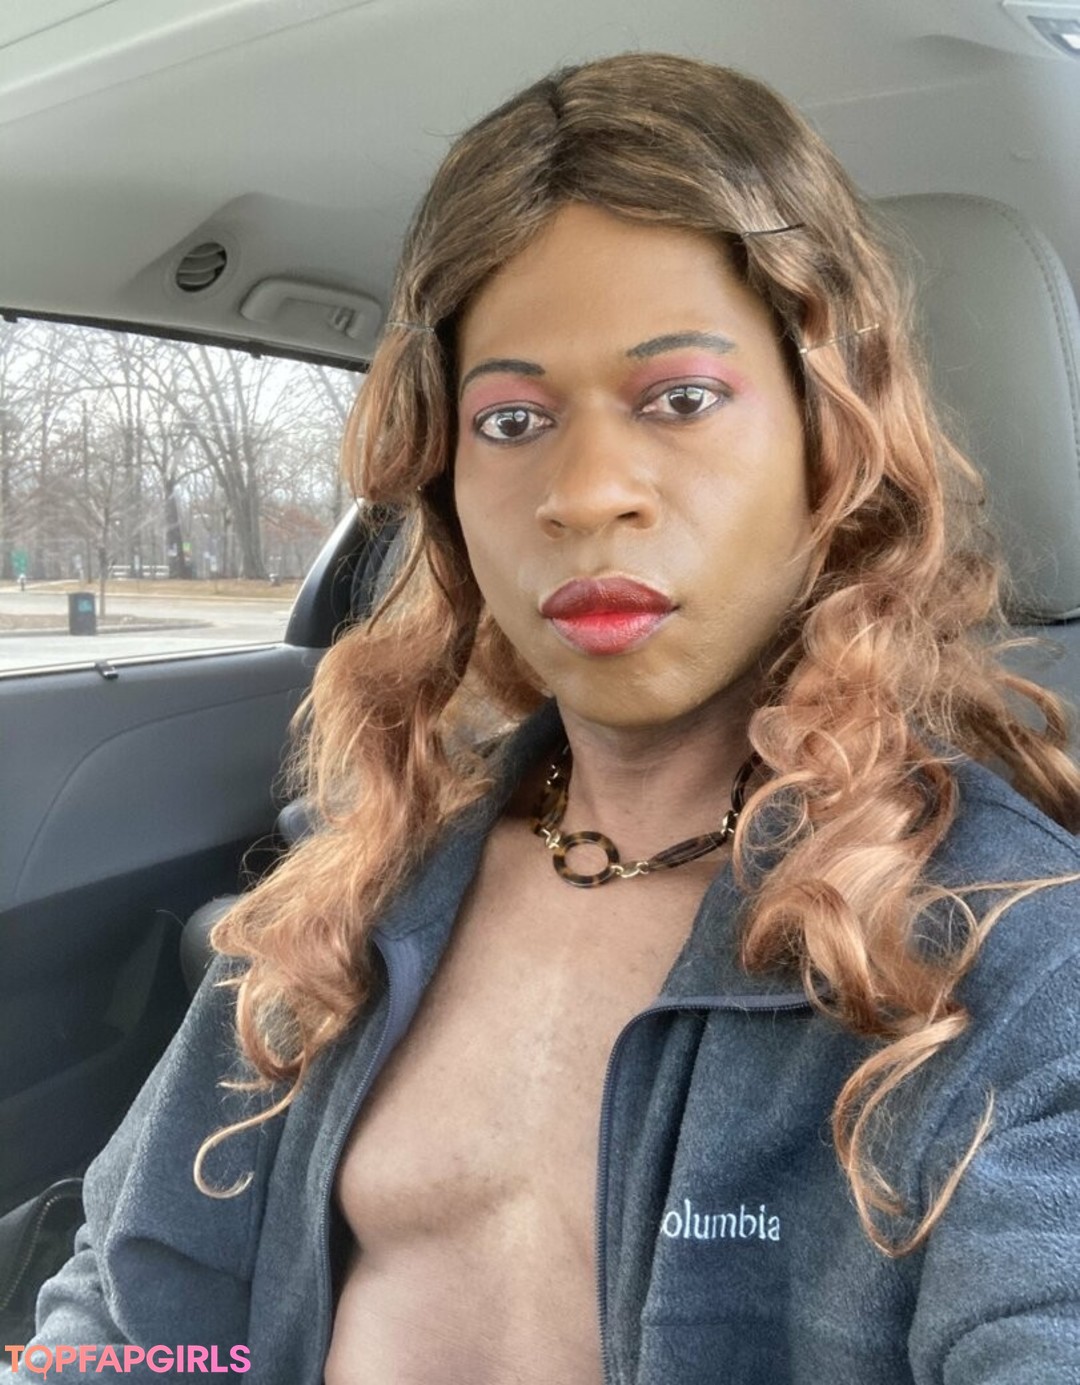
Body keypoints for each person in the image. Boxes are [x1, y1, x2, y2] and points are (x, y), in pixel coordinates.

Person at [6, 53, 1080, 1385]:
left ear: (829, 440)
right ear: (447, 483)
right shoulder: (362, 883)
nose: (585, 493)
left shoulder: (1007, 954)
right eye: (512, 418)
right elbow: (132, 1309)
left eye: (681, 399)